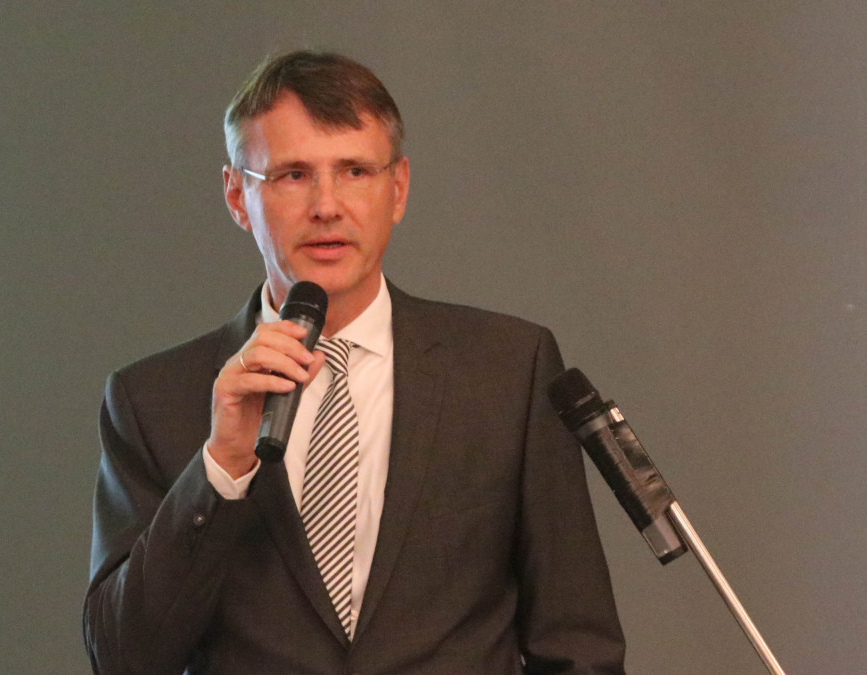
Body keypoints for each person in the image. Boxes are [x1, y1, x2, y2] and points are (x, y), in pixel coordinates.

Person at [84, 50, 625, 674]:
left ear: (397, 189)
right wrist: (221, 467)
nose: (327, 206)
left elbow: (579, 644)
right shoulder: (152, 401)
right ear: (237, 195)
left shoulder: (508, 371)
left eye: (355, 172)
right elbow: (122, 659)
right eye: (292, 175)